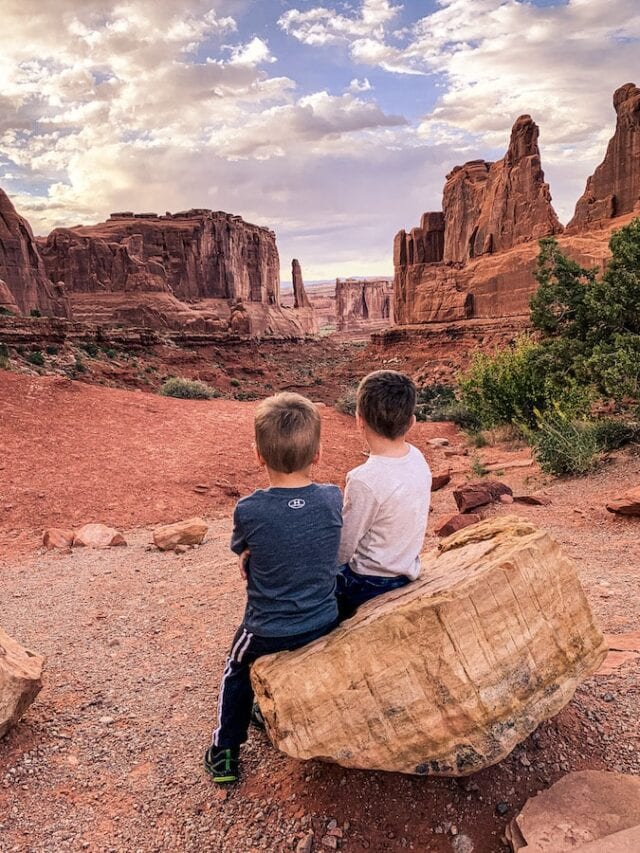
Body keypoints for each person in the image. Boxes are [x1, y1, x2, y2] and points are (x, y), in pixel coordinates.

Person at [204, 392, 342, 784]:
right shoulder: (333, 497)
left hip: (267, 629)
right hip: (323, 620)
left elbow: (241, 550)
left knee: (235, 669)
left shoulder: (249, 509)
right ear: (316, 454)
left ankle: (225, 752)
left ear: (258, 455)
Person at [336, 370, 432, 619]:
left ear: (359, 419)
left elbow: (343, 549)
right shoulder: (417, 457)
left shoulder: (364, 479)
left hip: (368, 583)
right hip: (407, 569)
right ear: (411, 422)